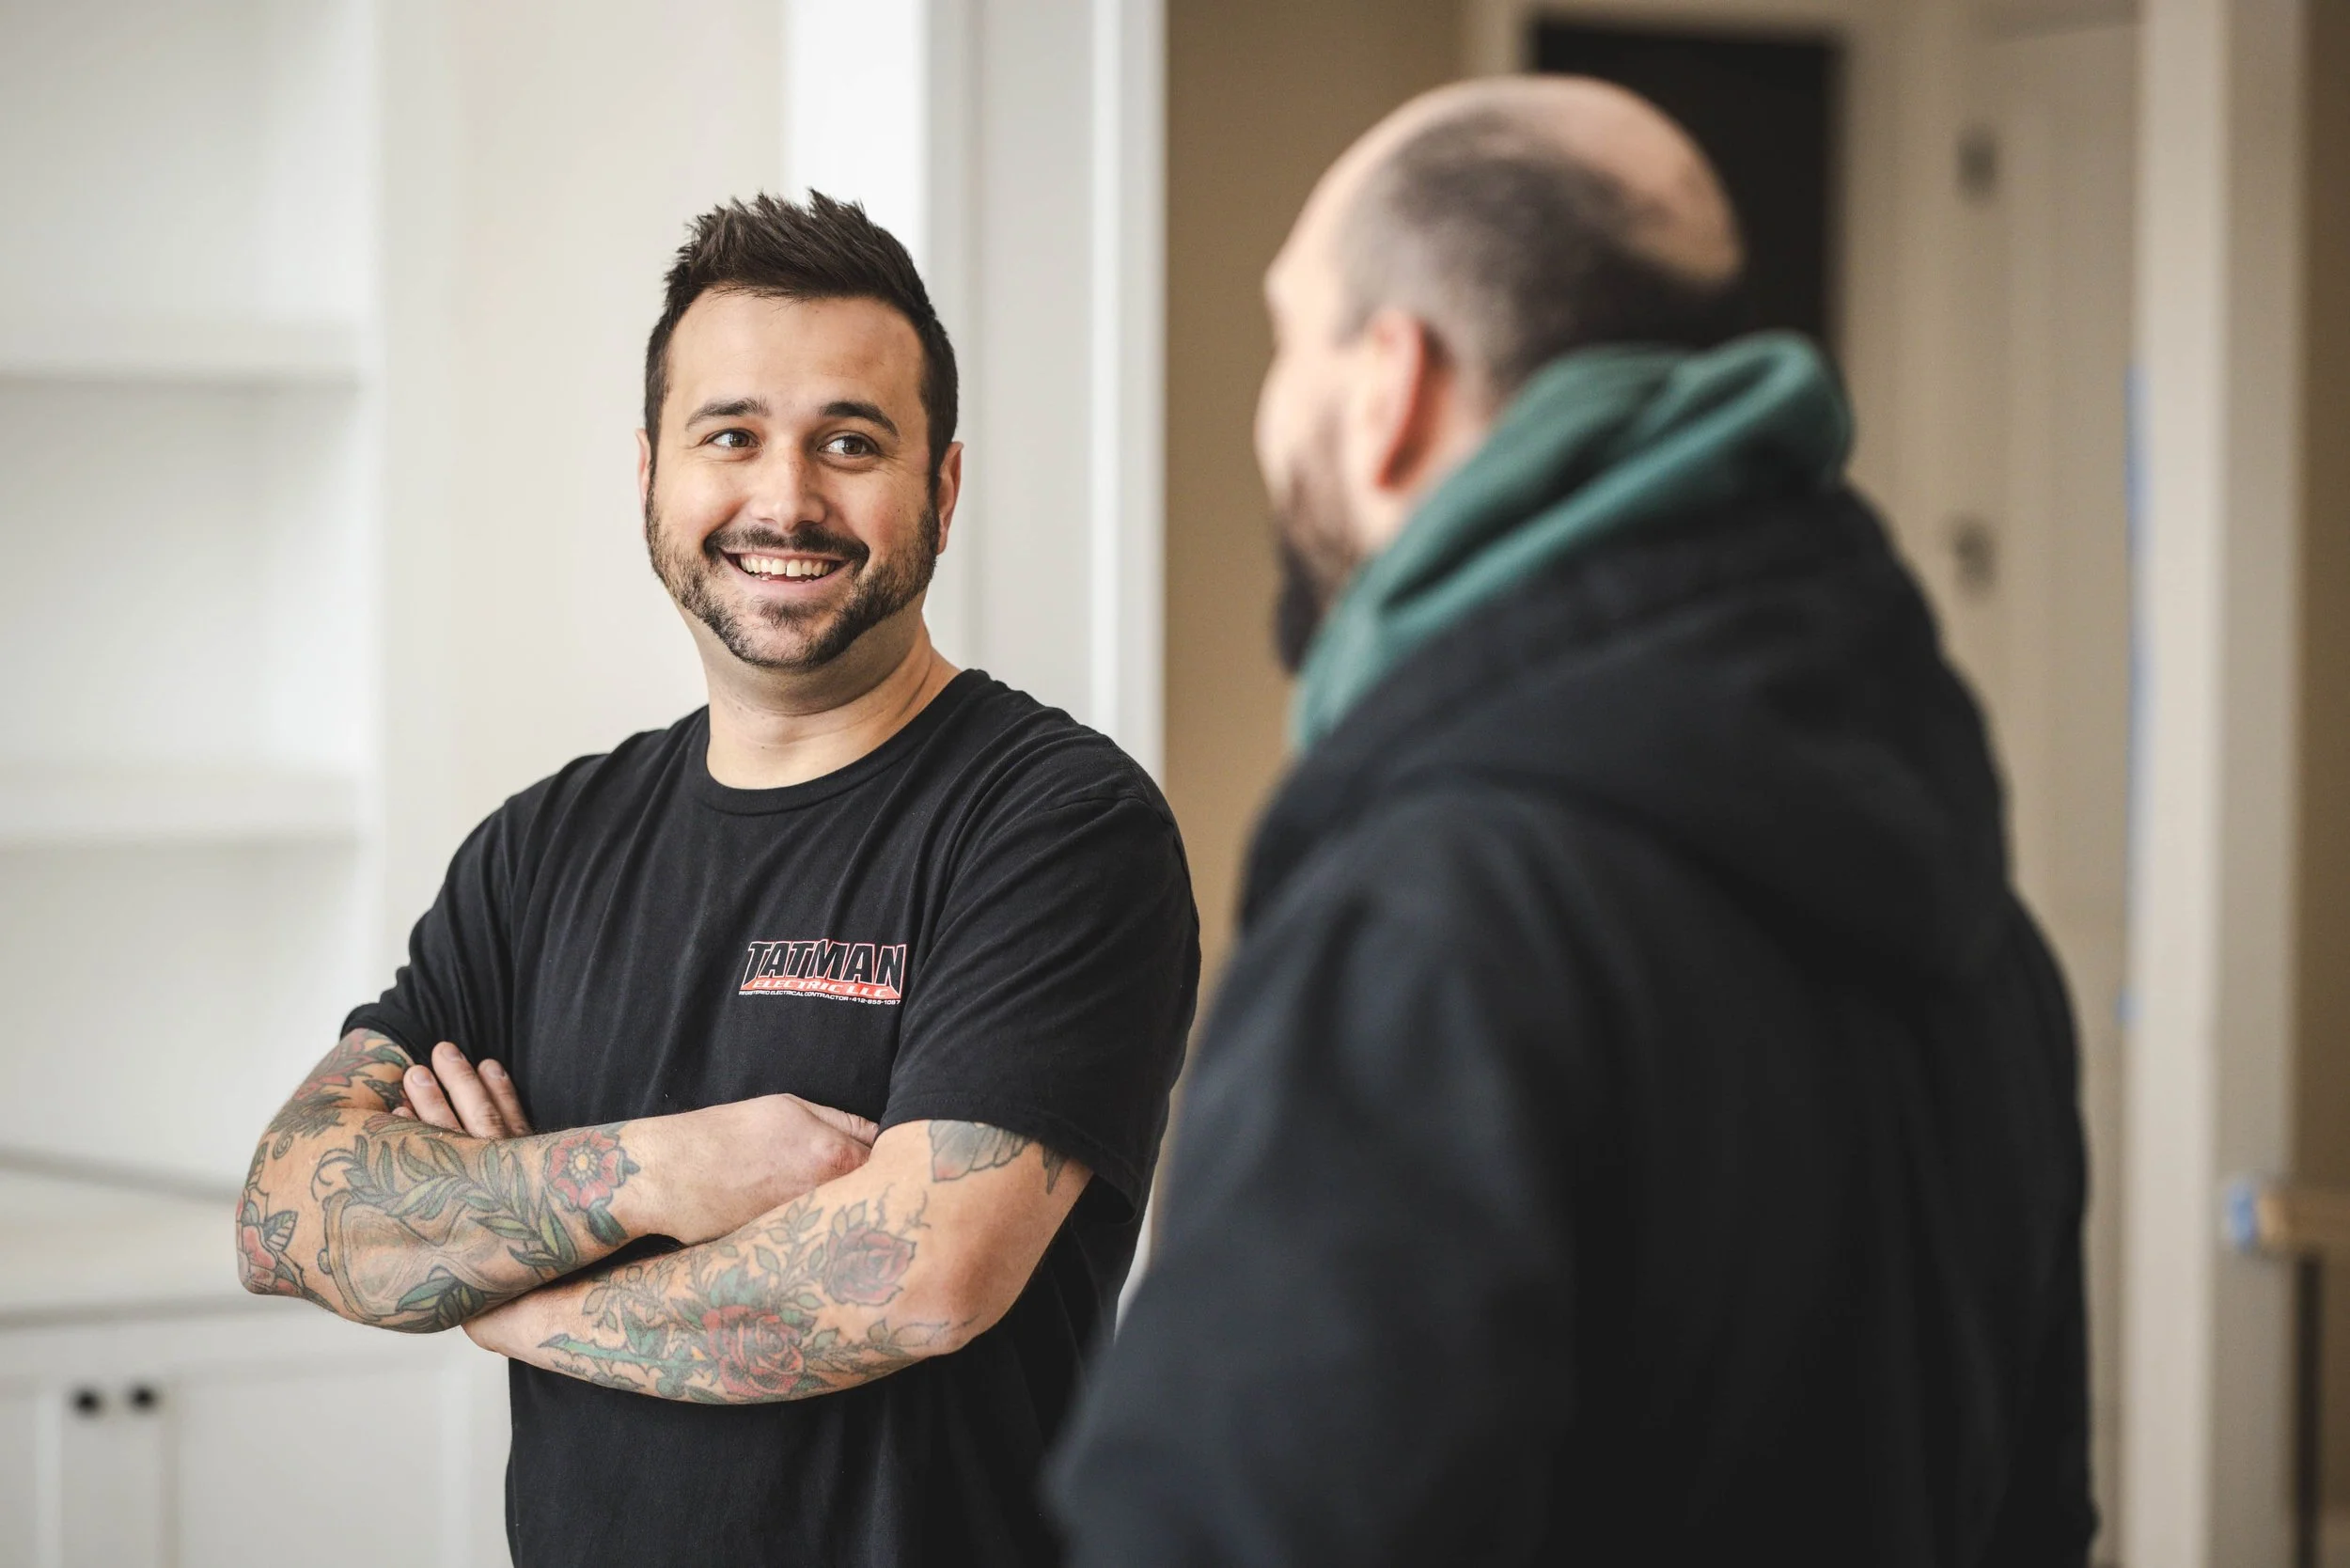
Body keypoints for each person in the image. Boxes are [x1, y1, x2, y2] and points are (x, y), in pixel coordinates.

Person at [1049, 76, 2093, 1566]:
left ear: (1389, 385)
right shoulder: (1987, 944)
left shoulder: (1434, 929)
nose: (1271, 400)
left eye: (1291, 336)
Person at [237, 192, 1198, 1568]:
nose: (786, 497)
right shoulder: (543, 846)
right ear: (650, 475)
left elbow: (918, 1282)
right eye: (730, 435)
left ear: (944, 485)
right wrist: (658, 1173)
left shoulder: (1055, 825)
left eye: (850, 443)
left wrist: (513, 1292)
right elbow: (290, 1208)